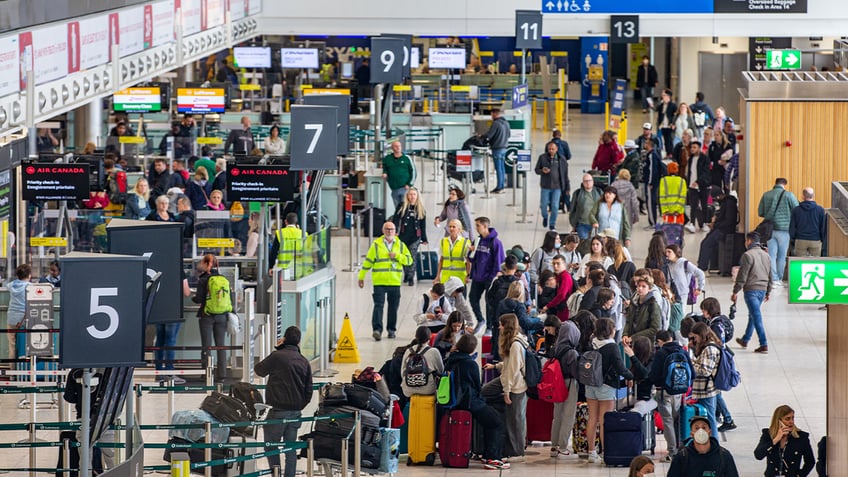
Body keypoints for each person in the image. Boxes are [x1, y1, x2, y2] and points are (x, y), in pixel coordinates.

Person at [443, 334, 510, 470]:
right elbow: (477, 386)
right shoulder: (470, 364)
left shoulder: (450, 360)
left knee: (489, 419)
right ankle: (493, 457)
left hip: (454, 401)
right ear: (472, 349)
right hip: (469, 401)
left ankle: (487, 454)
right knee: (495, 422)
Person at [255, 326, 313, 477]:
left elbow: (259, 370)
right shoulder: (304, 361)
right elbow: (308, 391)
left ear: (285, 339)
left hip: (278, 411)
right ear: (299, 342)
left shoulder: (277, 356)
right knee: (290, 448)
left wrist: (278, 348)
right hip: (295, 412)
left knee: (270, 445)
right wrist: (299, 405)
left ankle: (276, 473)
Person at [586, 317, 633, 464]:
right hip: (606, 386)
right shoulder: (611, 347)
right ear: (610, 331)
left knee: (592, 419)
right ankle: (606, 452)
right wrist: (630, 375)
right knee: (605, 420)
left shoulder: (591, 343)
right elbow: (620, 367)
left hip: (590, 384)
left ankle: (591, 452)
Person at [482, 314, 529, 460]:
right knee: (484, 391)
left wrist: (507, 391)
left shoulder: (515, 345)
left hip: (516, 387)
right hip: (509, 381)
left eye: (501, 325)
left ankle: (517, 452)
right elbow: (510, 365)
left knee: (515, 421)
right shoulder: (514, 342)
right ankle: (513, 448)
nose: (499, 327)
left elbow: (513, 371)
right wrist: (496, 366)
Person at [359, 222, 413, 341]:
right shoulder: (376, 245)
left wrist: (397, 256)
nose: (390, 231)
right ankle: (377, 330)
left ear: (395, 231)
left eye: (392, 229)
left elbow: (409, 260)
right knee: (378, 306)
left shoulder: (400, 245)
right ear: (383, 231)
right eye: (387, 229)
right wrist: (361, 276)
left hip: (394, 281)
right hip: (379, 281)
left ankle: (391, 330)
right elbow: (368, 261)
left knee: (393, 307)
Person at [647, 330, 690, 461]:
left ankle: (672, 452)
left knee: (668, 422)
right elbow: (691, 373)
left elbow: (653, 375)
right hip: (680, 392)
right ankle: (681, 446)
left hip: (664, 392)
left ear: (660, 341)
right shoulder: (683, 351)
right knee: (677, 420)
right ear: (671, 338)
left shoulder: (660, 353)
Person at [698, 298, 736, 433]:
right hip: (721, 359)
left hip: (717, 362)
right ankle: (727, 418)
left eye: (704, 309)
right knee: (717, 392)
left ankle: (727, 418)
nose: (702, 312)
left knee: (716, 391)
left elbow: (717, 343)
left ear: (709, 310)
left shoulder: (714, 325)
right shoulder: (721, 321)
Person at [192, 254, 232, 381]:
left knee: (207, 346)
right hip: (222, 316)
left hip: (207, 316)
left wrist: (193, 297)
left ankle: (206, 374)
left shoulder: (203, 279)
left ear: (207, 264)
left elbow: (198, 298)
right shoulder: (223, 278)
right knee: (221, 346)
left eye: (202, 262)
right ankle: (222, 375)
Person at [733, 232, 773, 354]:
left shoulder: (747, 255)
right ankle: (745, 339)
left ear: (749, 241)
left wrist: (735, 291)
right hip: (762, 290)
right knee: (753, 314)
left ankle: (763, 343)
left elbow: (742, 275)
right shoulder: (766, 255)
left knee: (756, 316)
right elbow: (770, 274)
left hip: (751, 290)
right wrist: (768, 291)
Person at [758, 178, 800, 284]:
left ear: (775, 183)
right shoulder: (788, 195)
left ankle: (773, 279)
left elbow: (761, 212)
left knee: (771, 255)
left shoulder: (766, 195)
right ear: (784, 184)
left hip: (770, 230)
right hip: (784, 230)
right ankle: (779, 278)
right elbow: (797, 210)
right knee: (781, 256)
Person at [667, 415, 739, 476]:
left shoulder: (724, 456)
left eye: (704, 428)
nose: (700, 431)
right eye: (697, 428)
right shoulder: (682, 457)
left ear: (709, 432)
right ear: (692, 434)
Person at [755, 405, 815, 477]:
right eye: (787, 419)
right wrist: (776, 439)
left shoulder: (801, 437)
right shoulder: (768, 435)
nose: (791, 422)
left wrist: (800, 475)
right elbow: (758, 455)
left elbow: (810, 461)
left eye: (792, 418)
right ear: (779, 421)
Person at [468, 217, 505, 331]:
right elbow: (471, 259)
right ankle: (480, 319)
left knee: (489, 303)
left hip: (489, 277)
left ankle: (489, 327)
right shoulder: (477, 241)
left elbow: (499, 261)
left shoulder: (496, 243)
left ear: (485, 226)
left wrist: (492, 276)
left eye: (478, 226)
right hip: (477, 277)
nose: (476, 228)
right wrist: (471, 251)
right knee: (472, 298)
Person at [688, 322, 722, 439]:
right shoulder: (706, 347)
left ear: (701, 335)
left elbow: (705, 371)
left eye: (695, 337)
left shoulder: (710, 349)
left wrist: (691, 364)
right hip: (703, 389)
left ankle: (715, 444)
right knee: (706, 418)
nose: (695, 340)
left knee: (710, 419)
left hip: (707, 390)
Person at [392, 187, 429, 286]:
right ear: (407, 196)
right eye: (410, 194)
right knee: (404, 256)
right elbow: (395, 218)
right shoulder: (402, 206)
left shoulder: (421, 209)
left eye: (414, 194)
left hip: (415, 237)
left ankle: (411, 277)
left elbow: (423, 225)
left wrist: (424, 238)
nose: (412, 196)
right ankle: (406, 273)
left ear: (417, 196)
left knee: (412, 257)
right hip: (403, 236)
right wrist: (394, 230)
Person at [400, 326, 444, 398]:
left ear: (416, 337)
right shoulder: (434, 351)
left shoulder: (408, 351)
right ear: (430, 337)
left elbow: (402, 373)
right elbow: (441, 371)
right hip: (428, 389)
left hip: (407, 389)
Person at [535, 141, 568, 230]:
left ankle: (552, 223)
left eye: (553, 149)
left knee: (555, 206)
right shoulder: (542, 158)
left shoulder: (562, 159)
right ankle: (545, 216)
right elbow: (536, 170)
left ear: (556, 149)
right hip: (545, 186)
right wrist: (542, 171)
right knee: (543, 205)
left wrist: (567, 187)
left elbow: (565, 174)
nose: (551, 150)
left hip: (557, 187)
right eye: (549, 149)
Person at [624, 276, 662, 344]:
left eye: (644, 286)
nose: (640, 288)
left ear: (649, 289)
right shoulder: (634, 302)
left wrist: (633, 337)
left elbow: (655, 329)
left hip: (645, 344)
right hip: (631, 342)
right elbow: (628, 321)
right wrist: (625, 334)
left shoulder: (653, 305)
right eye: (639, 286)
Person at [790, 187, 827, 258]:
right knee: (815, 263)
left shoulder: (796, 210)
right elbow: (822, 226)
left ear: (803, 196)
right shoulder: (820, 210)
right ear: (813, 196)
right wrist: (822, 239)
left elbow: (792, 226)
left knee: (800, 263)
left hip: (800, 239)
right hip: (815, 239)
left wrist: (792, 239)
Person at [685, 140, 711, 233]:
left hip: (703, 186)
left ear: (699, 148)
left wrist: (698, 181)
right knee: (693, 206)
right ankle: (692, 223)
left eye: (694, 147)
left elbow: (705, 172)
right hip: (692, 186)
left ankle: (703, 223)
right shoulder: (691, 159)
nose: (692, 149)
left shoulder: (705, 159)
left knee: (704, 205)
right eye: (692, 147)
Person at [6, 264, 30, 360]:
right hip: (24, 319)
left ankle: (12, 371)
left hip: (11, 318)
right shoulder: (29, 287)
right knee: (25, 344)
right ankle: (23, 370)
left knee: (12, 345)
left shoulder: (11, 285)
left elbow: (7, 286)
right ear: (29, 275)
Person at [382, 141, 415, 209]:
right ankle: (399, 219)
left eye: (399, 146)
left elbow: (414, 172)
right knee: (397, 208)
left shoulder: (406, 158)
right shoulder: (387, 159)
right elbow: (385, 168)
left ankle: (406, 219)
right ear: (392, 148)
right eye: (396, 146)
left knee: (405, 207)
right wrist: (385, 173)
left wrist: (409, 184)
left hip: (405, 187)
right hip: (394, 188)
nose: (398, 148)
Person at [434, 219, 469, 286]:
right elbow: (441, 260)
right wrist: (438, 276)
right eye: (450, 226)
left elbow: (468, 262)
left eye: (454, 227)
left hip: (460, 279)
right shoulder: (443, 241)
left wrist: (467, 275)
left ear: (459, 229)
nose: (451, 228)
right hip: (446, 278)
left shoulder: (465, 242)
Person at [569, 173, 603, 239]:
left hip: (596, 224)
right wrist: (573, 224)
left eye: (589, 181)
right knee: (584, 243)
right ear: (583, 183)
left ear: (593, 182)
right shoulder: (577, 193)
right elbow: (572, 209)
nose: (588, 183)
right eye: (585, 181)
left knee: (595, 243)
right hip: (582, 224)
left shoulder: (599, 192)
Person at [484, 109, 511, 193]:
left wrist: (483, 137)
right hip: (504, 147)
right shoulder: (506, 123)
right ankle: (502, 185)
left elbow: (489, 135)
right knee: (502, 168)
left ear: (495, 114)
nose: (491, 116)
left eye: (492, 115)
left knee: (498, 168)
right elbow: (509, 134)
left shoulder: (495, 123)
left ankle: (499, 187)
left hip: (497, 148)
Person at [548, 129, 573, 210]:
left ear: (553, 135)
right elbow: (569, 156)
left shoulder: (548, 145)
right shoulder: (564, 144)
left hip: (552, 167)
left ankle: (552, 205)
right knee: (565, 183)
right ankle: (568, 205)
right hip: (563, 166)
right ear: (560, 135)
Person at [641, 138, 662, 228]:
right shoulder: (651, 155)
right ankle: (652, 221)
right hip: (652, 183)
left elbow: (652, 169)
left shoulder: (652, 155)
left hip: (651, 184)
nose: (645, 144)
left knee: (650, 202)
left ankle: (653, 222)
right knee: (650, 201)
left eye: (646, 143)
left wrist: (650, 182)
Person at [656, 88, 678, 157]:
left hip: (669, 125)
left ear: (668, 96)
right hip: (662, 125)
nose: (662, 96)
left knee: (669, 140)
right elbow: (657, 110)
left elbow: (675, 115)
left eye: (664, 95)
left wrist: (673, 123)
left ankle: (670, 153)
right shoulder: (661, 105)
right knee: (664, 140)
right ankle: (667, 152)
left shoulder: (673, 105)